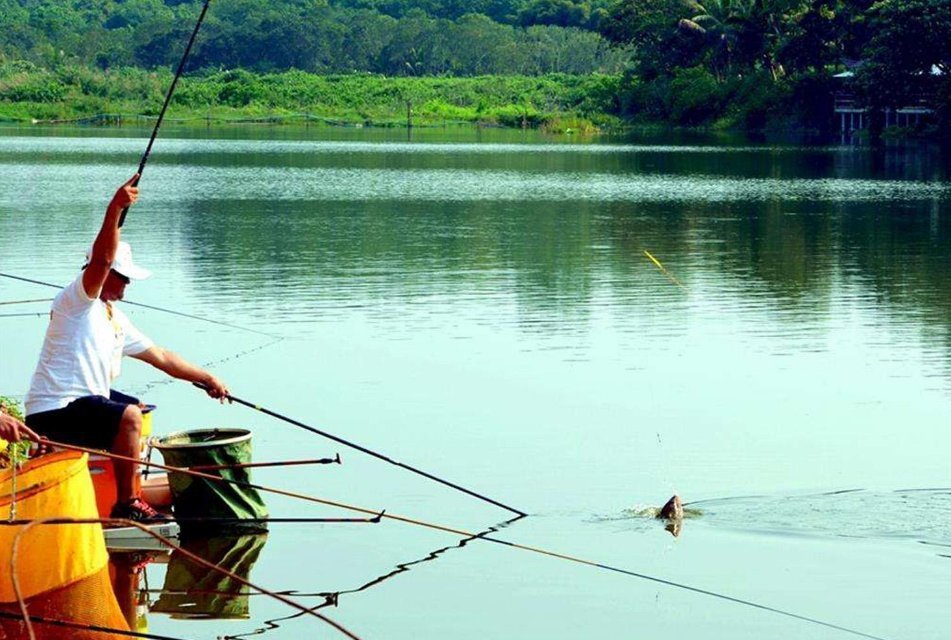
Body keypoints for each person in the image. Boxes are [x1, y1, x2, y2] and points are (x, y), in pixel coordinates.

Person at [24, 175, 230, 521]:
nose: (129, 283)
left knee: (136, 407)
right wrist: (115, 208)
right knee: (128, 417)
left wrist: (206, 377)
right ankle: (129, 503)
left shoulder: (114, 317)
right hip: (54, 410)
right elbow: (101, 262)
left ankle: (115, 481)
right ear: (106, 274)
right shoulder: (77, 302)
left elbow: (161, 357)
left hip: (82, 404)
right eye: (125, 276)